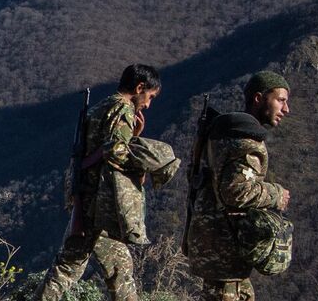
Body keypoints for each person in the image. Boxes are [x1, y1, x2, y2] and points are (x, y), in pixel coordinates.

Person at [34, 65, 166, 301]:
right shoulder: (123, 108)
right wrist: (144, 162)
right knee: (118, 271)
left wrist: (134, 134)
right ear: (139, 88)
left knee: (73, 265)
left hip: (86, 196)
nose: (148, 104)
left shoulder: (103, 106)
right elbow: (115, 150)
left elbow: (101, 148)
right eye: (150, 97)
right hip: (98, 201)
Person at [186, 71, 293, 301]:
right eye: (280, 100)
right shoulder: (244, 142)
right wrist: (276, 194)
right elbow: (236, 191)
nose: (286, 109)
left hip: (211, 244)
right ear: (258, 98)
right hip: (225, 252)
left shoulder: (218, 133)